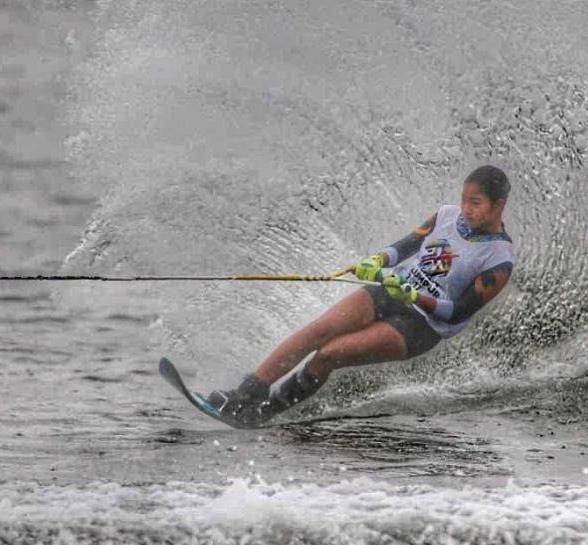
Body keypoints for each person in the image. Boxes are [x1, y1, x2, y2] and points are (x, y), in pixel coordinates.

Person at [208, 164, 515, 427]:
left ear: (498, 204)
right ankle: (247, 394)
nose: (466, 209)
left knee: (329, 354)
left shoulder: (499, 260)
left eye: (475, 203)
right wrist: (377, 261)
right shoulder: (447, 216)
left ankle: (265, 412)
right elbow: (406, 246)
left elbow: (458, 312)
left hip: (421, 327)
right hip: (391, 292)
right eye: (464, 200)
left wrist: (415, 297)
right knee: (318, 330)